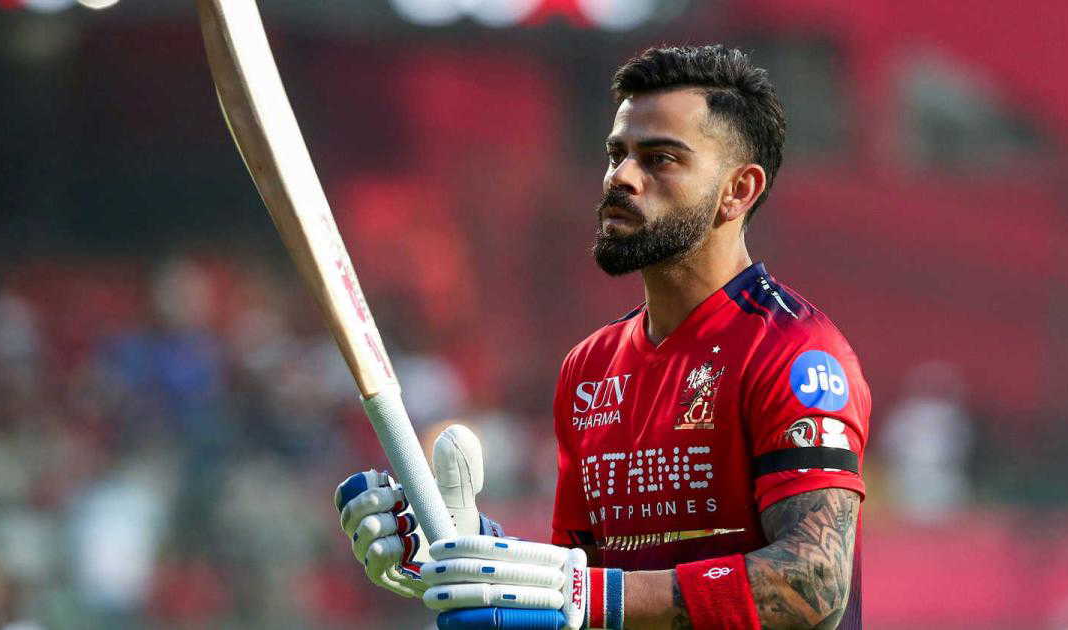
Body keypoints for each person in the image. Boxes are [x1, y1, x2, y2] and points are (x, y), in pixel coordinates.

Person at [335, 44, 869, 630]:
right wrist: (467, 553)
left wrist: (585, 595)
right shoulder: (589, 368)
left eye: (660, 158)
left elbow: (815, 581)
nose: (622, 177)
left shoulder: (794, 350)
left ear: (738, 190)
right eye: (617, 154)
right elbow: (583, 586)